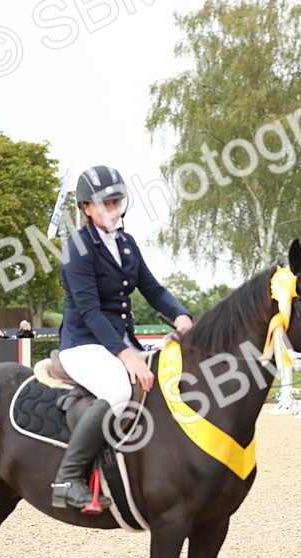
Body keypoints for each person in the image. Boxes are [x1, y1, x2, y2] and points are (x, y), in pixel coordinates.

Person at [51, 165, 194, 511]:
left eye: (117, 202)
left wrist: (181, 315)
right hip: (84, 344)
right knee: (118, 390)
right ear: (86, 208)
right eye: (104, 204)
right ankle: (68, 478)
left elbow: (153, 289)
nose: (113, 209)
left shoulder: (126, 244)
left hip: (120, 341)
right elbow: (90, 312)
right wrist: (127, 357)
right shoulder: (76, 249)